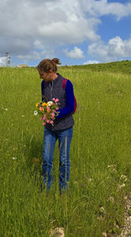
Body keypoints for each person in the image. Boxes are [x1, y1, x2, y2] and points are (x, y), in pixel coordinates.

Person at [37, 58, 75, 192]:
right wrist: (43, 110)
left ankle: (63, 190)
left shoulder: (66, 84)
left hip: (65, 128)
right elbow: (44, 101)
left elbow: (71, 107)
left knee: (64, 160)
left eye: (42, 74)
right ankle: (46, 190)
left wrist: (56, 114)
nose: (40, 77)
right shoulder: (44, 84)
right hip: (49, 128)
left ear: (50, 72)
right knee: (46, 158)